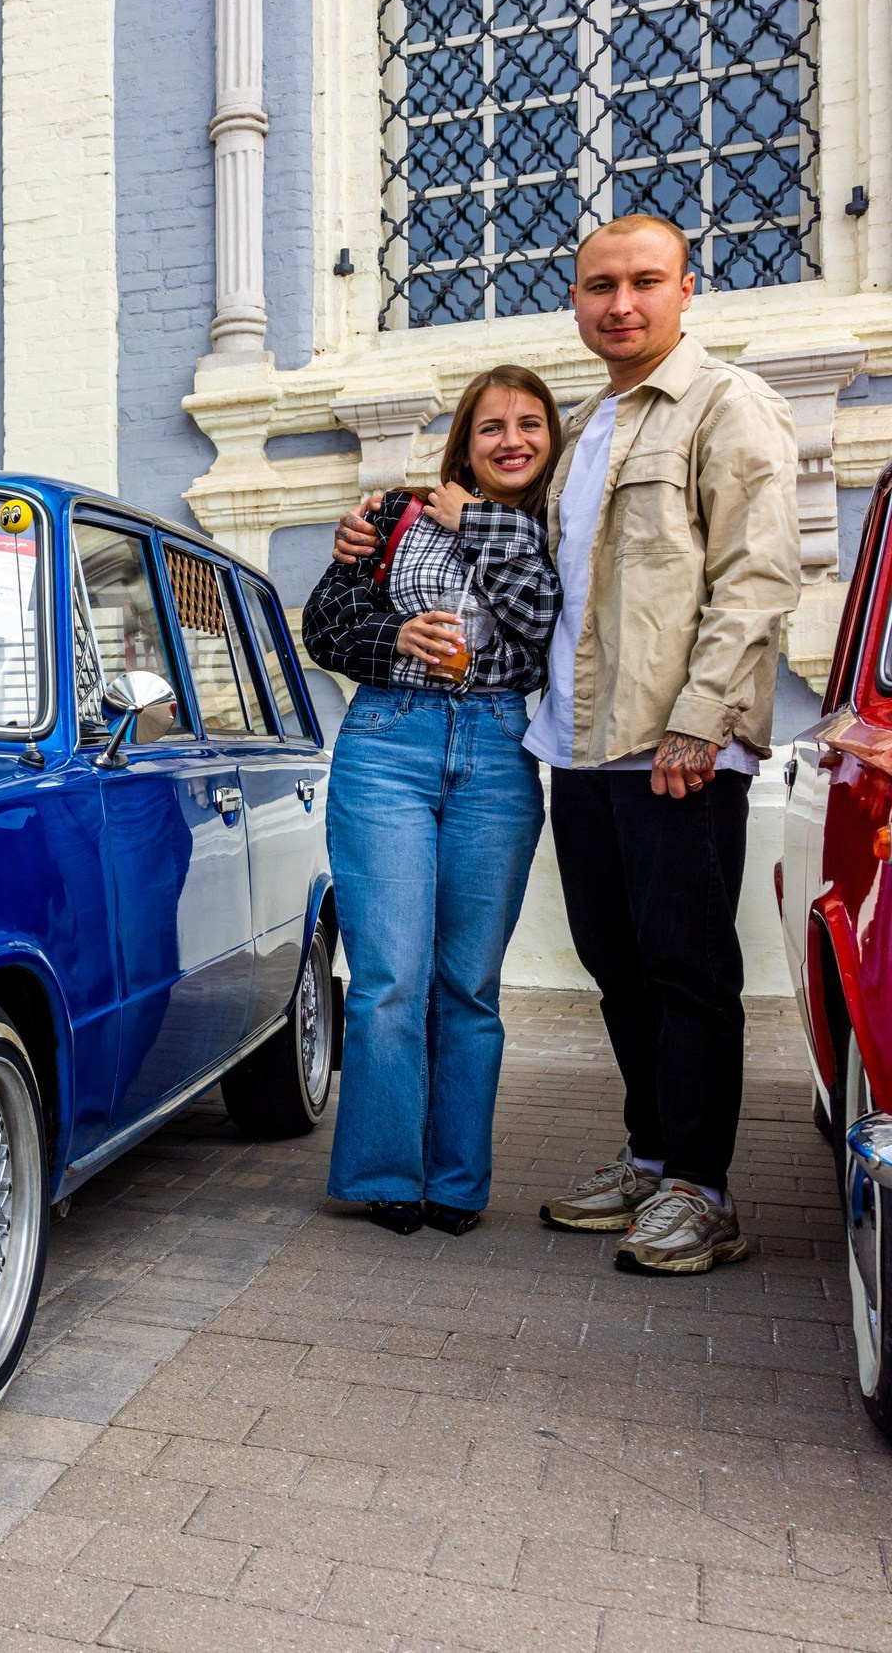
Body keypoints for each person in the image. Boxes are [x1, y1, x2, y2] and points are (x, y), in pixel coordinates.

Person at [333, 213, 800, 1275]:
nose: (620, 303)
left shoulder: (725, 407)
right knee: (618, 970)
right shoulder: (591, 424)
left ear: (688, 289)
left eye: (643, 282)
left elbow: (760, 576)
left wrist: (700, 716)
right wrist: (373, 524)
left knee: (686, 971)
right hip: (581, 751)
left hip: (675, 747)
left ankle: (700, 1189)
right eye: (599, 286)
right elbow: (511, 552)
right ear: (576, 300)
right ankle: (650, 1153)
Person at [303, 367, 563, 1237]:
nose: (511, 440)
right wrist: (396, 633)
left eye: (530, 424)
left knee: (469, 984)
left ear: (552, 441)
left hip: (496, 749)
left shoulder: (559, 525)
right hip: (388, 744)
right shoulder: (394, 515)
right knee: (388, 980)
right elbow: (326, 625)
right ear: (466, 439)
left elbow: (544, 621)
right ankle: (384, 1173)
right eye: (491, 427)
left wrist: (477, 521)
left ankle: (456, 1183)